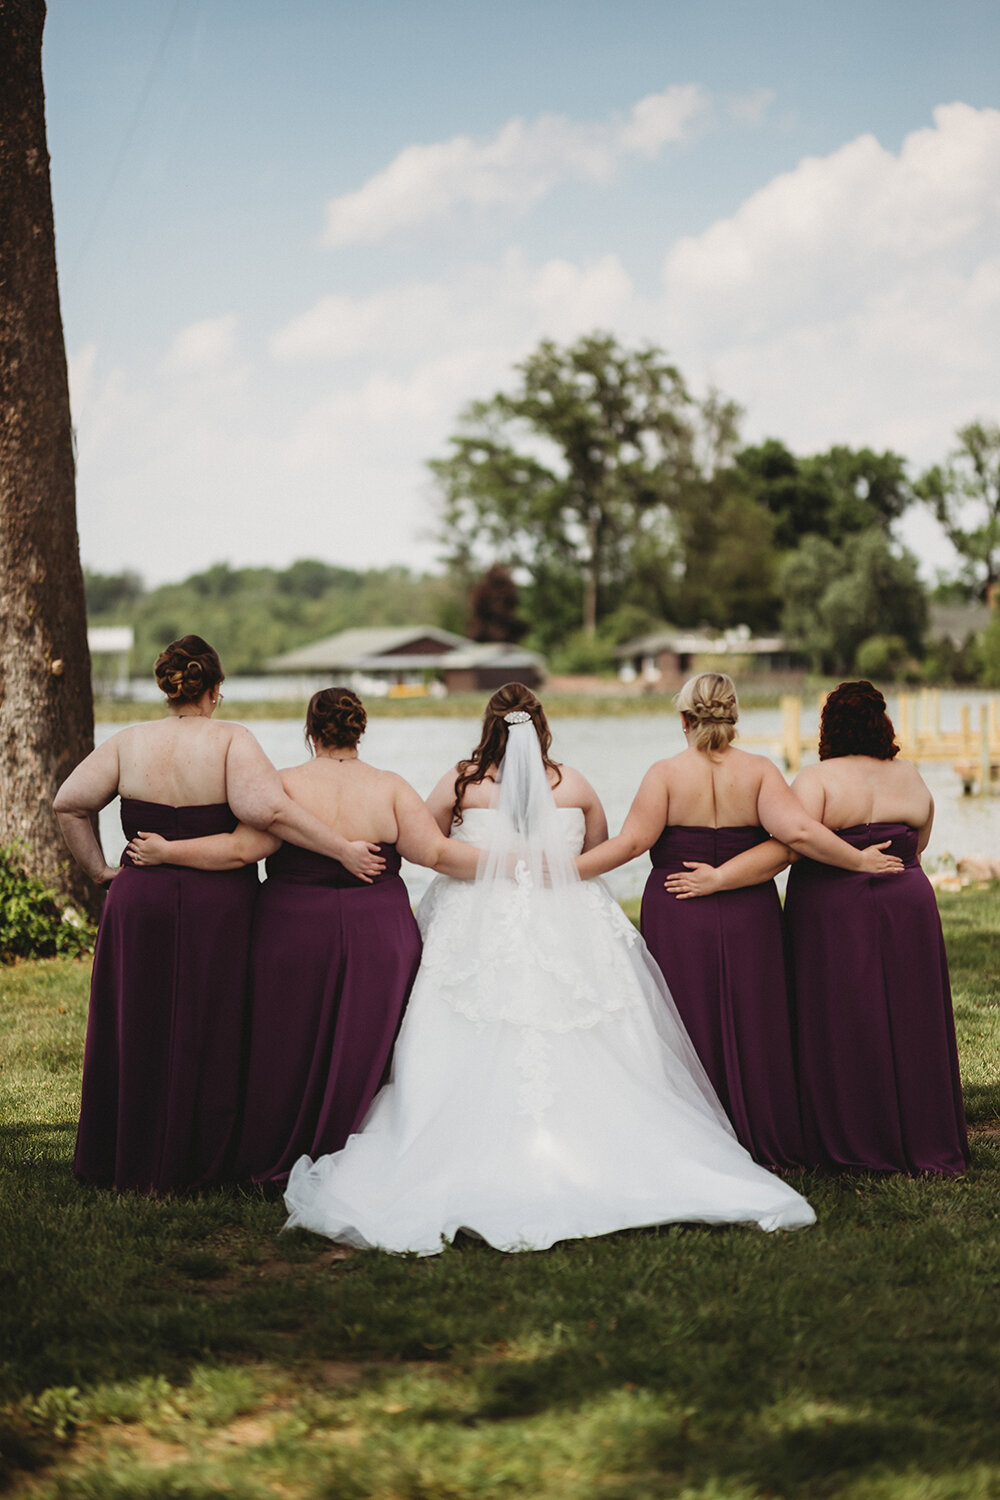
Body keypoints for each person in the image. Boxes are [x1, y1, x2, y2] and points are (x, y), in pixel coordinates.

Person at [282, 682, 816, 1255]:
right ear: (541, 726)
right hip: (568, 912)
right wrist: (547, 868)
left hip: (474, 918)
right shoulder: (576, 783)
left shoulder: (460, 781)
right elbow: (599, 845)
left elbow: (427, 843)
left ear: (489, 726)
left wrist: (489, 866)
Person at [54, 636, 385, 1196]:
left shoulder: (127, 742)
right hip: (221, 905)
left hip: (140, 899)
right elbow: (268, 816)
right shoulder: (234, 740)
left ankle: (122, 1157)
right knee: (218, 1026)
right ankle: (204, 1163)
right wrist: (341, 848)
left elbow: (69, 802)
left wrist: (100, 873)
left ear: (169, 688)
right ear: (214, 692)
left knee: (137, 1021)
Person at [126, 687, 481, 1187]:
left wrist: (168, 853)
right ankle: (360, 1143)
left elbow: (239, 851)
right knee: (370, 1041)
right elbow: (439, 856)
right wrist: (514, 864)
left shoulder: (283, 786)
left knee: (281, 1040)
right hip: (378, 930)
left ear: (310, 731)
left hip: (291, 927)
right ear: (360, 730)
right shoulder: (392, 787)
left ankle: (275, 1150)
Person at [574, 672, 903, 1169]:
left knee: (681, 1017)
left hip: (677, 905)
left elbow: (631, 844)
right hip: (750, 910)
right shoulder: (760, 772)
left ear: (683, 719)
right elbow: (793, 838)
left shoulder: (664, 773)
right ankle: (763, 1138)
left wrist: (557, 872)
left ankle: (690, 1136)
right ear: (733, 716)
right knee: (757, 1019)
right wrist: (728, 877)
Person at [782, 680, 969, 1175]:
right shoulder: (909, 775)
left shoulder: (815, 779)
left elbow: (791, 843)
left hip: (830, 907)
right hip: (906, 901)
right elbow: (922, 839)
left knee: (839, 1015)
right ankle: (923, 1135)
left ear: (829, 727)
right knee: (913, 1018)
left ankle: (853, 1138)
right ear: (881, 723)